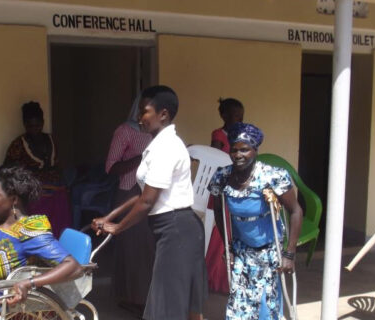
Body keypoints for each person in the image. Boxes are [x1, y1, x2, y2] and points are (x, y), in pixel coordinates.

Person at [93, 87, 206, 320]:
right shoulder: (155, 146)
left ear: (163, 114)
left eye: (144, 112)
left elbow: (147, 201)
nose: (138, 118)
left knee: (170, 304)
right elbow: (143, 192)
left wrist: (117, 227)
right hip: (171, 228)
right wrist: (109, 217)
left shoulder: (166, 147)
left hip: (176, 228)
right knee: (176, 301)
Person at [207, 122, 303, 320]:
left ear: (255, 150)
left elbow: (295, 211)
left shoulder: (272, 176)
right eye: (234, 150)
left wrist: (290, 254)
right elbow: (218, 210)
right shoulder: (222, 176)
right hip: (242, 249)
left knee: (266, 308)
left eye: (245, 150)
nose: (238, 155)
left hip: (269, 250)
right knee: (240, 307)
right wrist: (228, 246)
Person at [0, 165, 86, 312]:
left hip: (2, 306)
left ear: (14, 199)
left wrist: (28, 283)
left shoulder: (29, 231)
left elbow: (73, 267)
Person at [103, 87, 169, 313]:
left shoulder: (161, 136)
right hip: (130, 193)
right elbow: (111, 167)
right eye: (146, 109)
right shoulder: (125, 131)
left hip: (152, 195)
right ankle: (134, 299)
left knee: (149, 249)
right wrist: (143, 158)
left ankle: (148, 299)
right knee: (133, 250)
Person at [3, 101, 71, 238]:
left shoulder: (51, 139)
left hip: (57, 192)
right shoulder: (18, 144)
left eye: (37, 125)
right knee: (39, 231)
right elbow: (6, 169)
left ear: (43, 122)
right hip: (36, 194)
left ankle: (59, 255)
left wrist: (65, 183)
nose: (34, 129)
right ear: (24, 124)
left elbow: (58, 164)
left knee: (60, 228)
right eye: (30, 125)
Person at [205, 97, 244, 294]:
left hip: (239, 187)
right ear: (223, 115)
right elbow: (216, 159)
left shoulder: (243, 135)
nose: (238, 119)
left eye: (241, 115)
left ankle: (233, 277)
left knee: (235, 229)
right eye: (234, 115)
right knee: (223, 231)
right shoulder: (219, 135)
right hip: (223, 187)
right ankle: (218, 277)